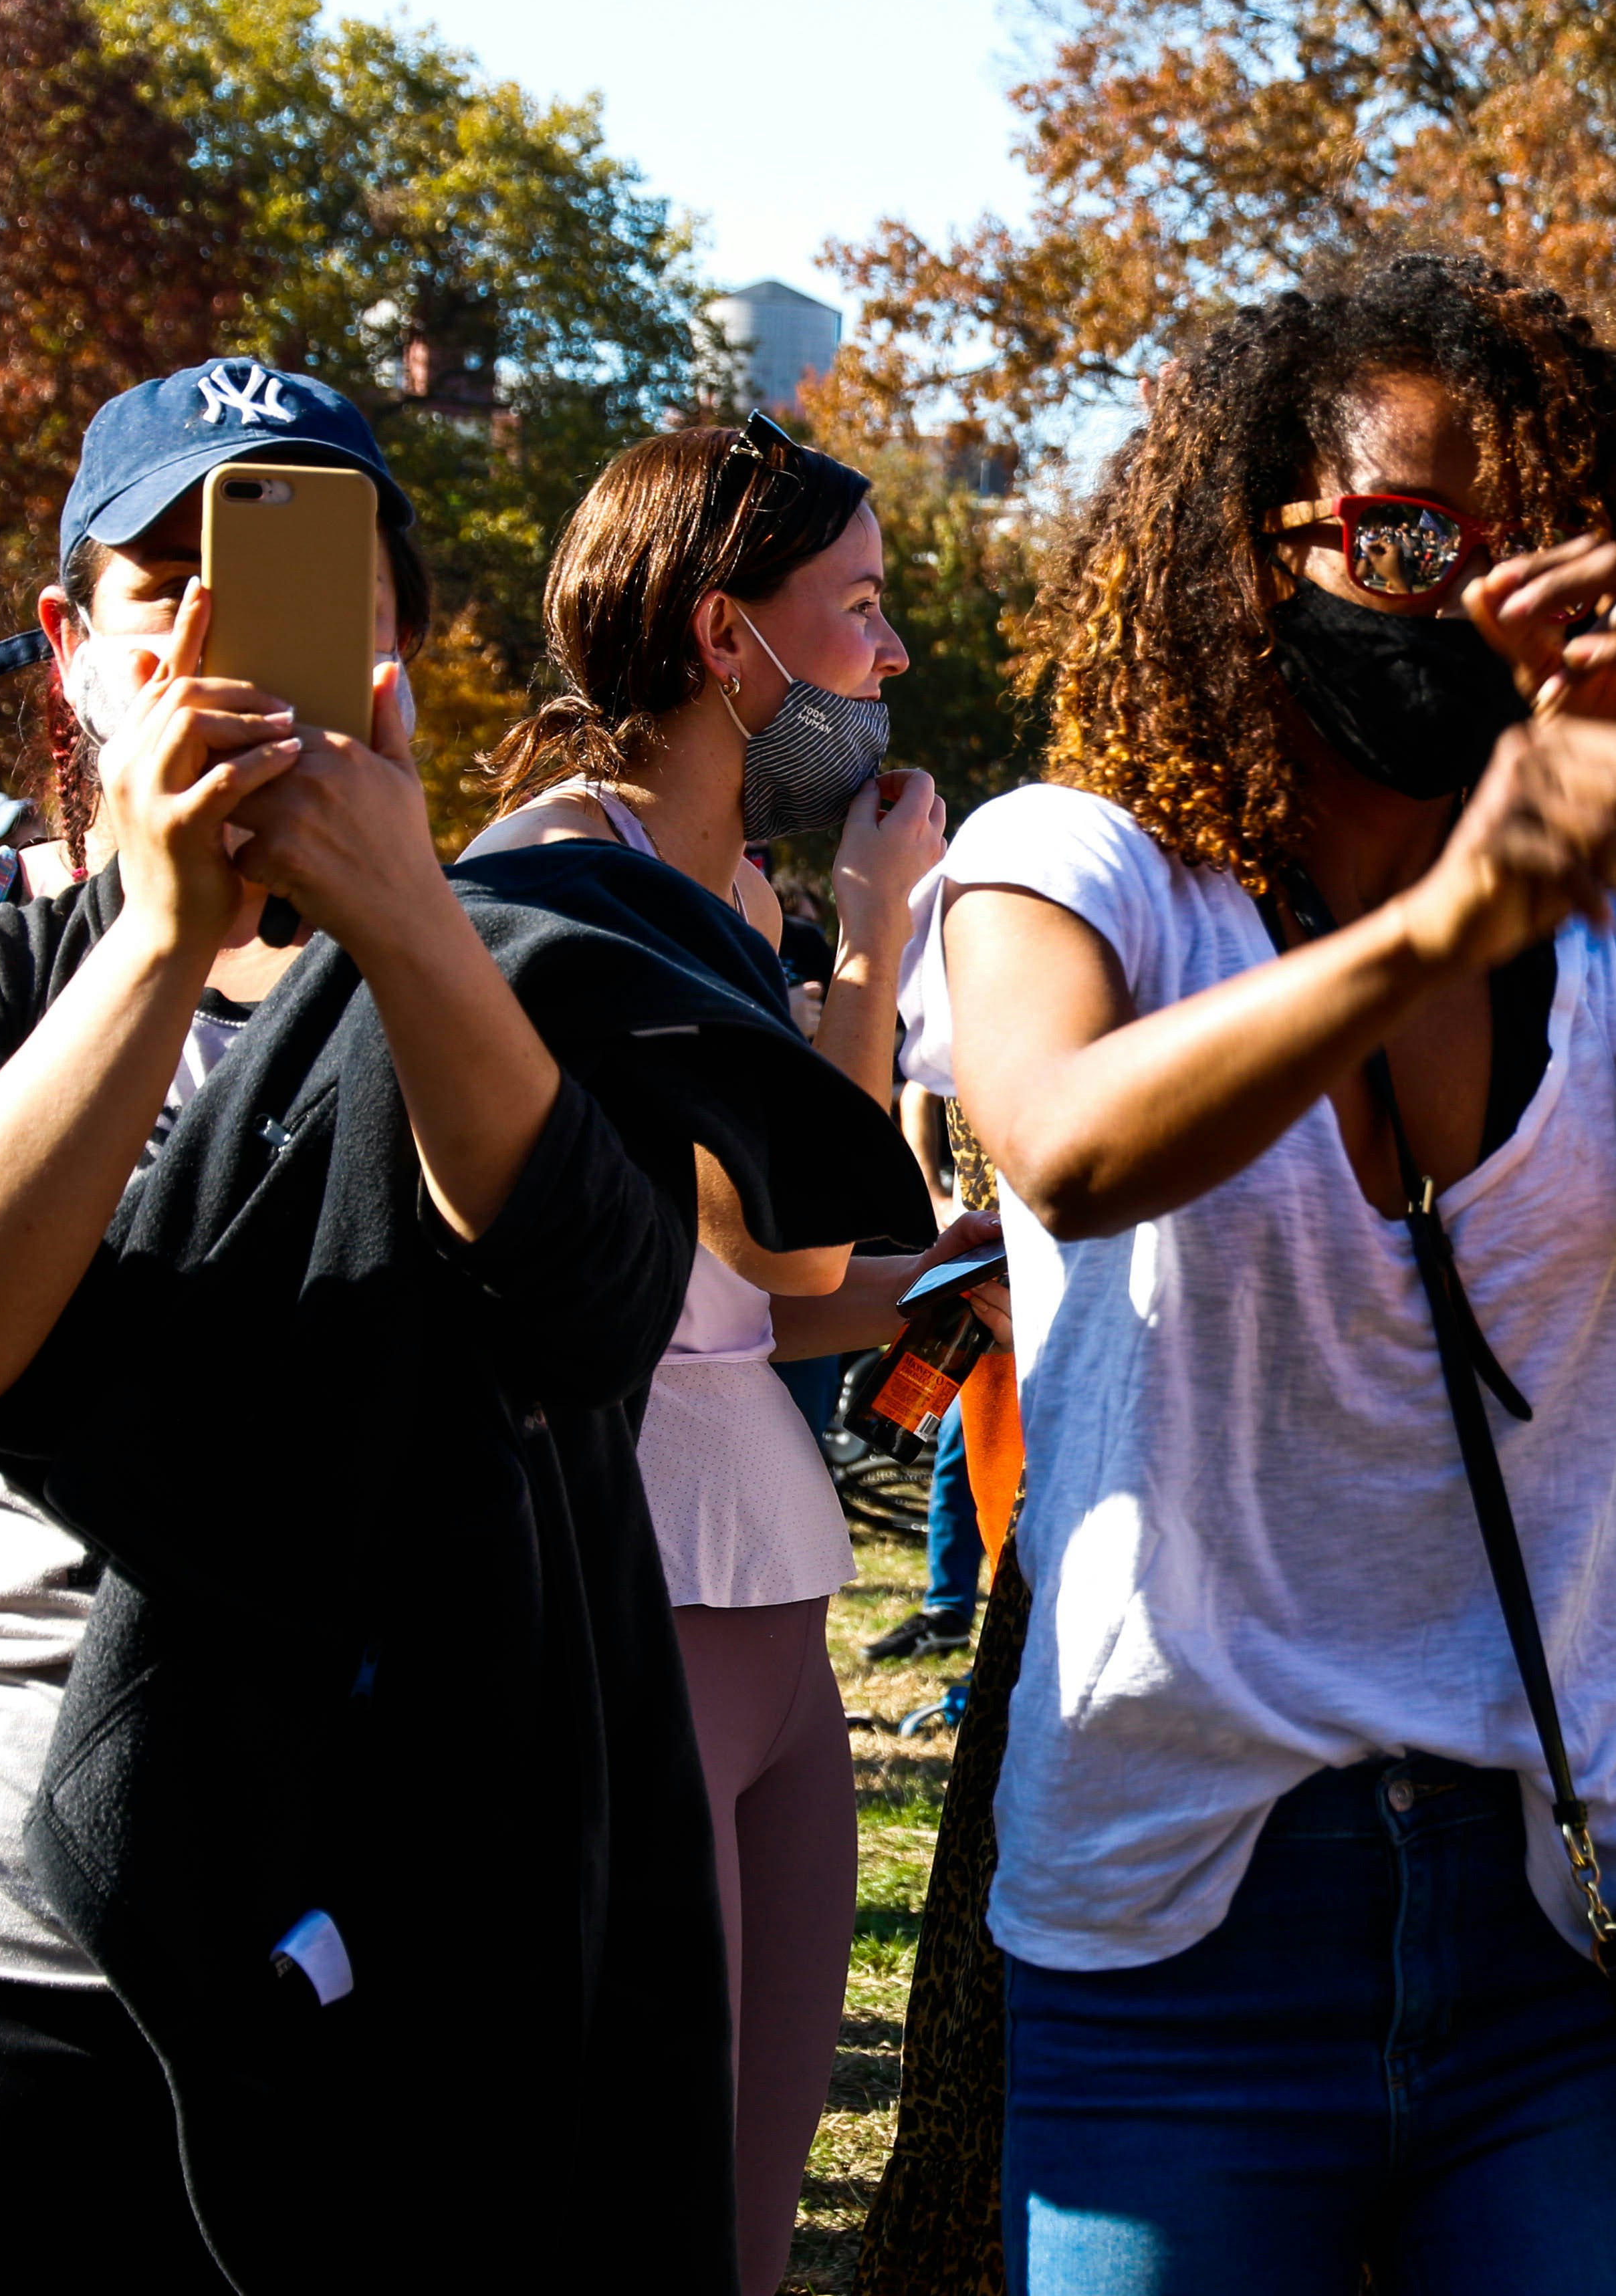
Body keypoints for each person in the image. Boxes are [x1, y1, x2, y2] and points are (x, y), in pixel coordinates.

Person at [0, 356, 923, 2295]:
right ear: (71, 649)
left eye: (308, 584)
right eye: (166, 581)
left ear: (393, 645)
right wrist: (156, 939)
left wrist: (403, 926)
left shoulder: (501, 970)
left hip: (399, 1939)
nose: (224, 635)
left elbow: (587, 1311)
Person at [897, 251, 1616, 2294]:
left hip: (1559, 1920)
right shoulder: (1077, 867)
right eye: (1415, 537)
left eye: (1544, 551)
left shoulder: (1610, 946)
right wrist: (1439, 923)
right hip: (1179, 1933)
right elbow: (1066, 1145)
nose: (1477, 604)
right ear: (1260, 554)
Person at [463, 414, 980, 2296]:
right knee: (630, 2200)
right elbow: (789, 1230)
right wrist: (877, 925)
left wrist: (972, 1277)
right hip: (621, 1591)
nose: (894, 655)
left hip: (767, 1592)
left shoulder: (739, 898)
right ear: (721, 638)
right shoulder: (551, 886)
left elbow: (779, 1305)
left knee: (752, 2213)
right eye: (857, 608)